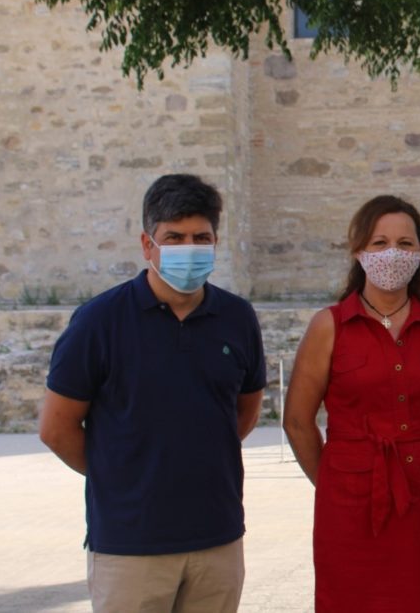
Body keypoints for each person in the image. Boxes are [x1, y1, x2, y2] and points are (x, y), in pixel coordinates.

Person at [39, 173, 266, 612]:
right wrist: (121, 473)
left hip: (217, 540)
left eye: (201, 237)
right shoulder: (98, 322)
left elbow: (244, 411)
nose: (189, 247)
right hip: (130, 546)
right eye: (174, 237)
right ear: (148, 245)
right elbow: (56, 428)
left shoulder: (237, 319)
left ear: (216, 242)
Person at [284, 194, 420, 613]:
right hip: (348, 500)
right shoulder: (329, 326)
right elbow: (296, 421)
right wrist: (338, 477)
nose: (393, 254)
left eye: (405, 244)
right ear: (358, 250)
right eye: (380, 243)